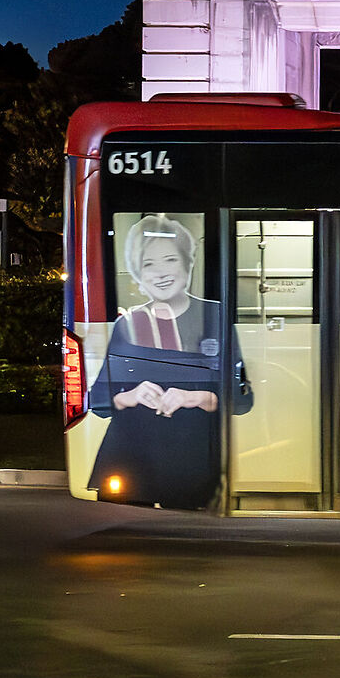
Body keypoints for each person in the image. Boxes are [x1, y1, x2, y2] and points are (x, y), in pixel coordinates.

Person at [86, 215, 251, 509]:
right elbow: (97, 400)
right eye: (149, 264)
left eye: (170, 260)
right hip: (131, 460)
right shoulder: (128, 323)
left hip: (191, 462)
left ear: (188, 264)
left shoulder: (215, 317)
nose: (160, 273)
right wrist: (130, 396)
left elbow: (241, 399)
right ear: (138, 274)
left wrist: (196, 397)